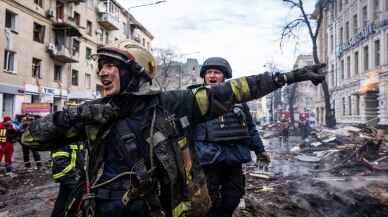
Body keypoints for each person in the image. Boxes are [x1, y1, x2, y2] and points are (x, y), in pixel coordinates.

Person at [22, 39, 326, 217]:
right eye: (100, 65)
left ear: (134, 73)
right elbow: (31, 138)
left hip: (153, 209)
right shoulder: (94, 114)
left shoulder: (173, 104)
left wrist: (288, 76)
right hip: (100, 208)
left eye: (110, 65)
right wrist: (71, 117)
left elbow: (233, 91)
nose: (102, 72)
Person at [192, 57, 270, 217]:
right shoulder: (192, 100)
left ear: (224, 75)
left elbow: (250, 128)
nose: (212, 75)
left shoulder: (238, 102)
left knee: (233, 196)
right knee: (208, 199)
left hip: (233, 158)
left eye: (217, 72)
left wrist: (260, 151)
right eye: (209, 72)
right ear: (204, 75)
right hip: (207, 159)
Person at [50, 141, 86, 217]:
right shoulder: (63, 140)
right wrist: (76, 174)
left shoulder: (79, 141)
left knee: (64, 200)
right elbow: (59, 161)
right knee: (79, 196)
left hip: (72, 176)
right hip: (67, 175)